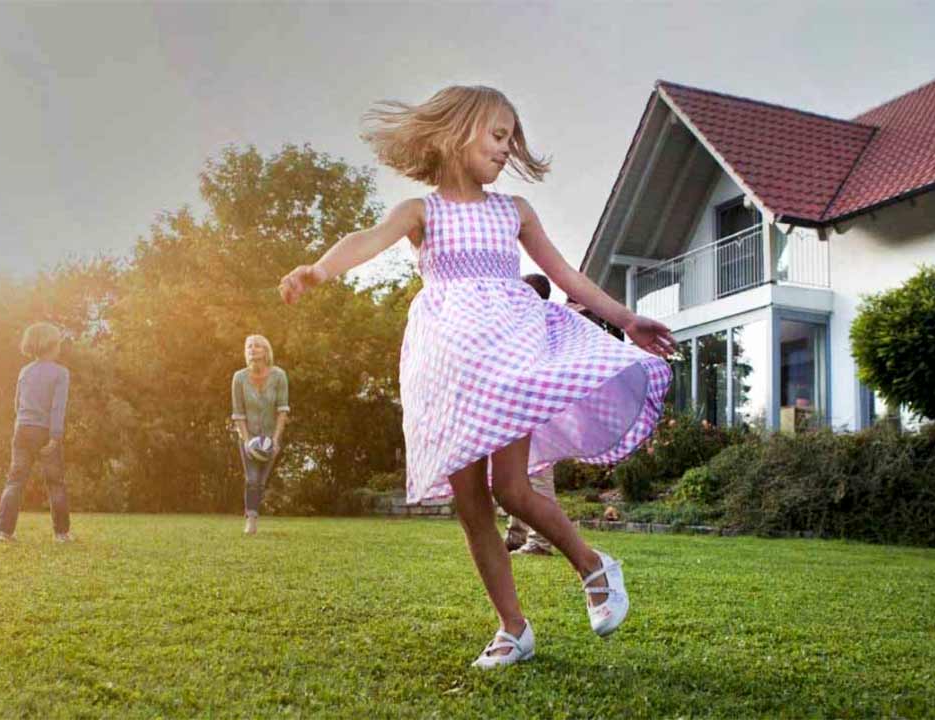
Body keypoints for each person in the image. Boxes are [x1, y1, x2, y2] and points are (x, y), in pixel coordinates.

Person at [279, 85, 674, 668]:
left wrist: (623, 318)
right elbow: (366, 239)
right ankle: (514, 628)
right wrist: (318, 269)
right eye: (496, 135)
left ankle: (593, 565)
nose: (505, 148)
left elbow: (564, 272)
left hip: (506, 356)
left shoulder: (512, 211)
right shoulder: (421, 212)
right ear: (454, 132)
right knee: (472, 505)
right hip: (446, 369)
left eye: (511, 138)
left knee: (512, 488)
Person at [0, 322, 73, 543]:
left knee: (15, 481)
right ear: (51, 345)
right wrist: (55, 436)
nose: (60, 347)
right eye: (58, 343)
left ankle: (3, 531)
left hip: (22, 429)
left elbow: (17, 403)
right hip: (44, 432)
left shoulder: (25, 371)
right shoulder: (61, 373)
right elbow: (58, 407)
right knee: (55, 482)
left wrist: (21, 424)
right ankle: (62, 533)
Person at [504, 273, 558, 557]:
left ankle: (540, 541)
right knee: (512, 476)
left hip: (536, 408)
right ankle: (517, 535)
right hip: (517, 407)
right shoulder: (522, 326)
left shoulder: (542, 326)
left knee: (537, 473)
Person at [231, 334, 290, 535]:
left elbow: (282, 410)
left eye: (257, 346)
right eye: (249, 346)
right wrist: (247, 442)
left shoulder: (279, 376)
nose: (252, 349)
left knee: (261, 481)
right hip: (248, 437)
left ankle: (251, 510)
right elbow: (238, 414)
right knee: (252, 478)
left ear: (266, 351)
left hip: (270, 439)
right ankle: (251, 519)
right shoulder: (239, 378)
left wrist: (275, 440)